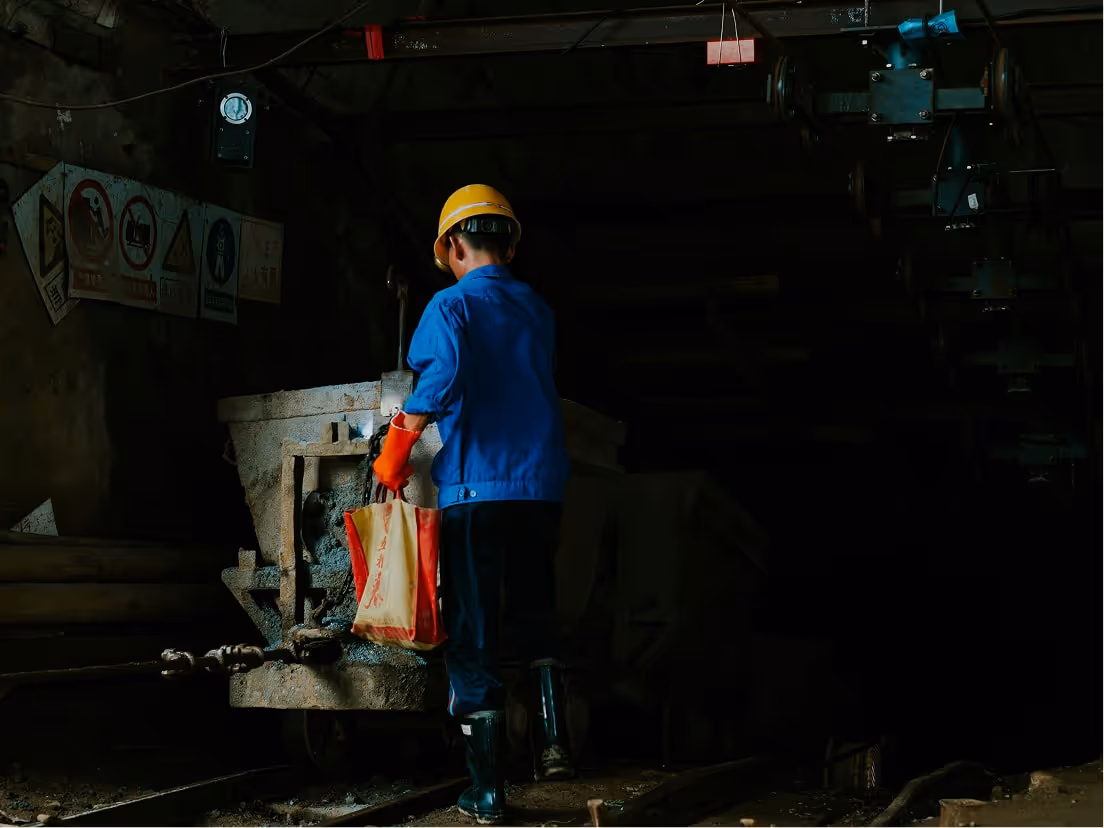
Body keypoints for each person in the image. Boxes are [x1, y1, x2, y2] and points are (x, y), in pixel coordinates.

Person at [372, 185, 574, 825]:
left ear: (452, 247)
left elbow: (441, 375)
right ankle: (553, 745)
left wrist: (392, 455)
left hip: (477, 491)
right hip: (541, 488)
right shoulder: (537, 309)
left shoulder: (450, 307)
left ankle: (488, 793)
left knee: (475, 635)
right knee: (537, 611)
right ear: (509, 245)